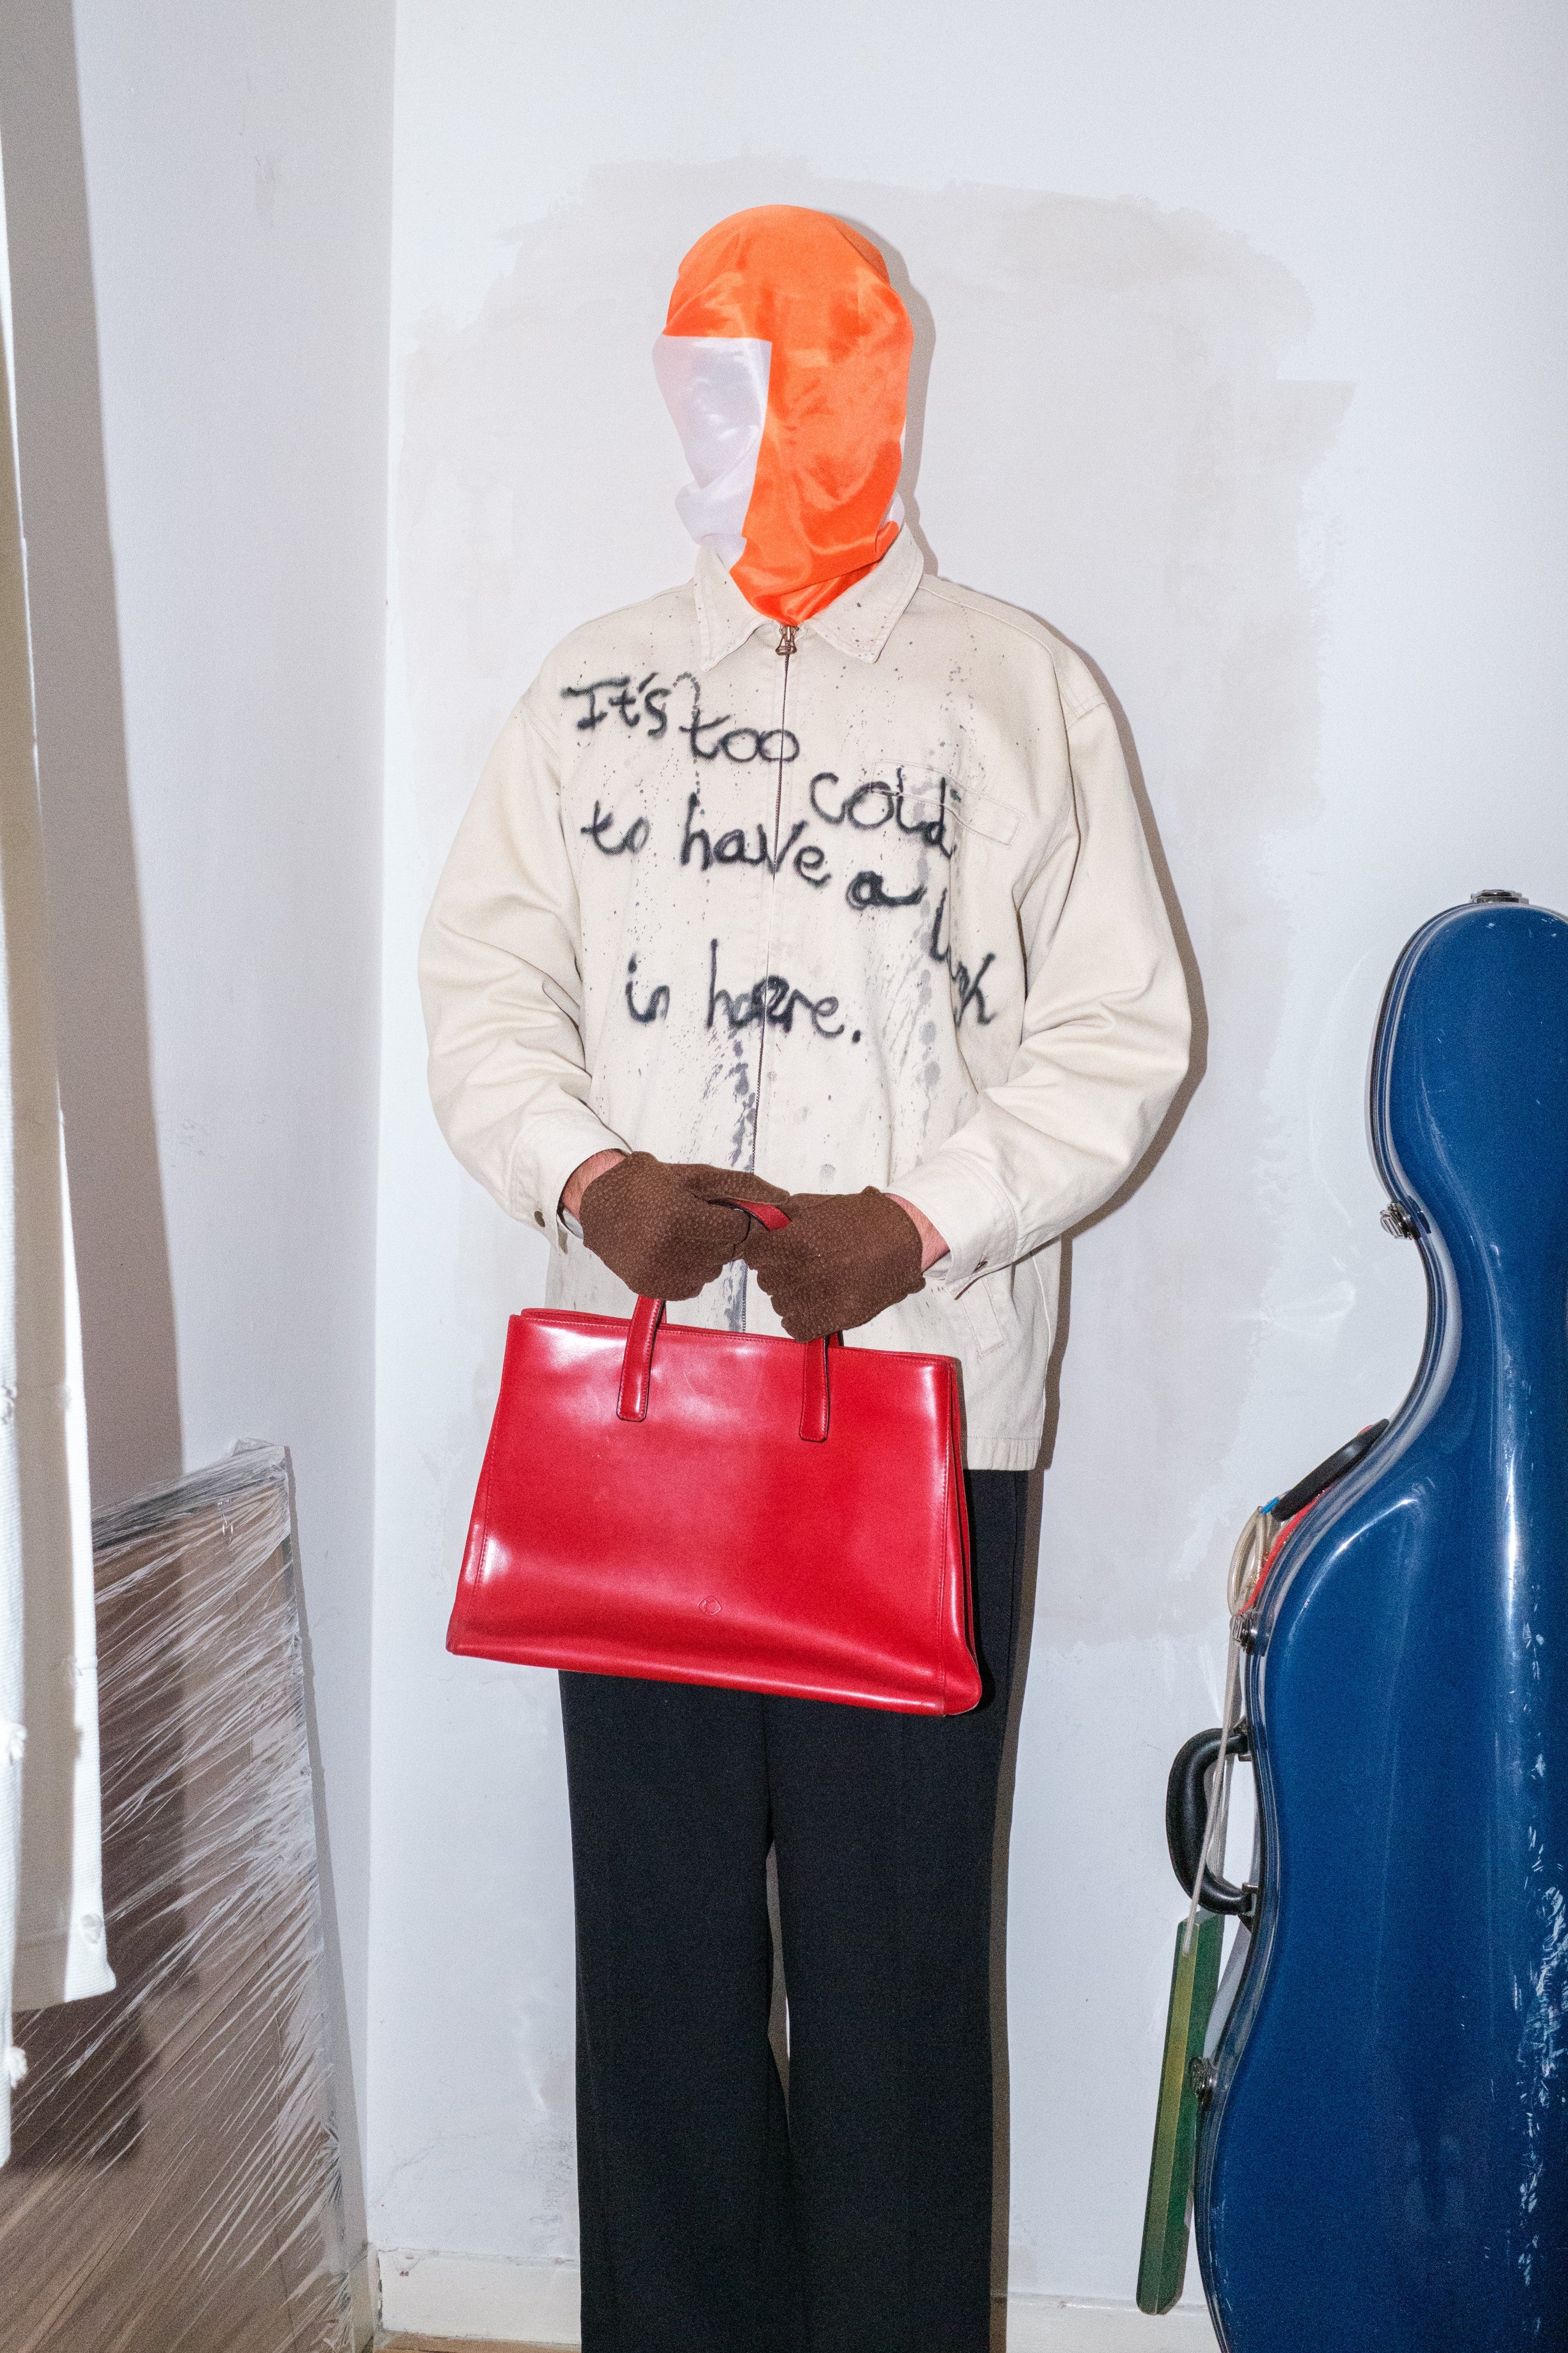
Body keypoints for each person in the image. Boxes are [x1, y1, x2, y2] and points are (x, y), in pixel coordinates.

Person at [420, 205, 1190, 2353]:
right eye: (715, 374)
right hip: (643, 1418)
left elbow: (1116, 1033)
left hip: (923, 1430)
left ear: (882, 389)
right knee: (657, 1956)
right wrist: (581, 1171)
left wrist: (920, 1220)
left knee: (894, 1965)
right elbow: (484, 989)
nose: (756, 419)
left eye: (800, 374)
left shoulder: (1017, 694)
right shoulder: (583, 693)